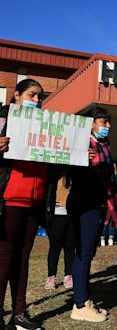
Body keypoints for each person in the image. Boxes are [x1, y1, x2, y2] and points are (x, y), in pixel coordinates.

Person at [0, 79, 49, 330]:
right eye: (32, 95)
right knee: (5, 257)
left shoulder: (46, 125)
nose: (37, 101)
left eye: (40, 97)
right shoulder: (1, 121)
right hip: (9, 197)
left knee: (23, 257)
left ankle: (18, 314)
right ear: (17, 96)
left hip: (36, 199)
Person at [67, 107, 116, 323]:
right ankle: (80, 304)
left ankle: (85, 299)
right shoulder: (80, 144)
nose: (107, 126)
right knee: (84, 252)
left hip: (97, 202)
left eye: (108, 122)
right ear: (91, 124)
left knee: (88, 252)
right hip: (83, 201)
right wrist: (80, 159)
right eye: (103, 122)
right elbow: (70, 172)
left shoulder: (104, 146)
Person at [44, 169, 75, 290]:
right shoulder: (52, 174)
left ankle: (68, 275)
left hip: (71, 213)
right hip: (56, 213)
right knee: (55, 247)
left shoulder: (74, 173)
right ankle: (51, 277)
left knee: (70, 246)